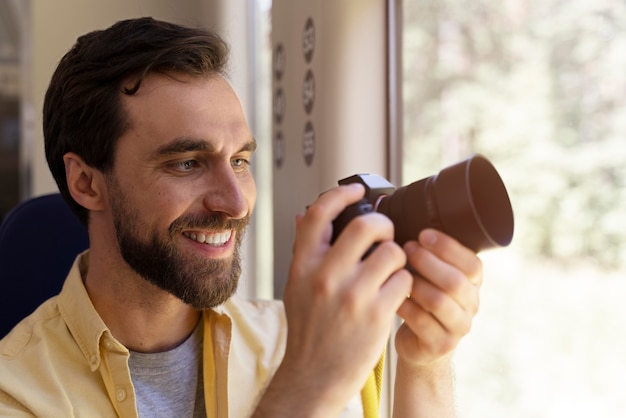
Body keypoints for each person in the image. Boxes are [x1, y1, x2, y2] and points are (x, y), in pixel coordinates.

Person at [0, 17, 482, 417]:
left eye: (240, 161)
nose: (235, 202)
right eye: (186, 163)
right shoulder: (16, 391)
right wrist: (305, 389)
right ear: (87, 182)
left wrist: (426, 364)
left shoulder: (299, 337)